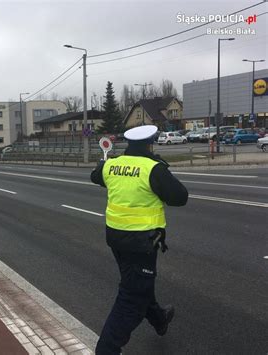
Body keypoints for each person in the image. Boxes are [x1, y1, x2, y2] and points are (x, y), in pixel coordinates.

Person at [91, 125, 188, 354]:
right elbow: (180, 197)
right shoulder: (153, 168)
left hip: (116, 239)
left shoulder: (112, 165)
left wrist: (105, 164)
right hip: (142, 243)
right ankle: (107, 349)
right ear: (150, 144)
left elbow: (96, 176)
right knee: (132, 298)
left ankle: (159, 317)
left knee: (136, 284)